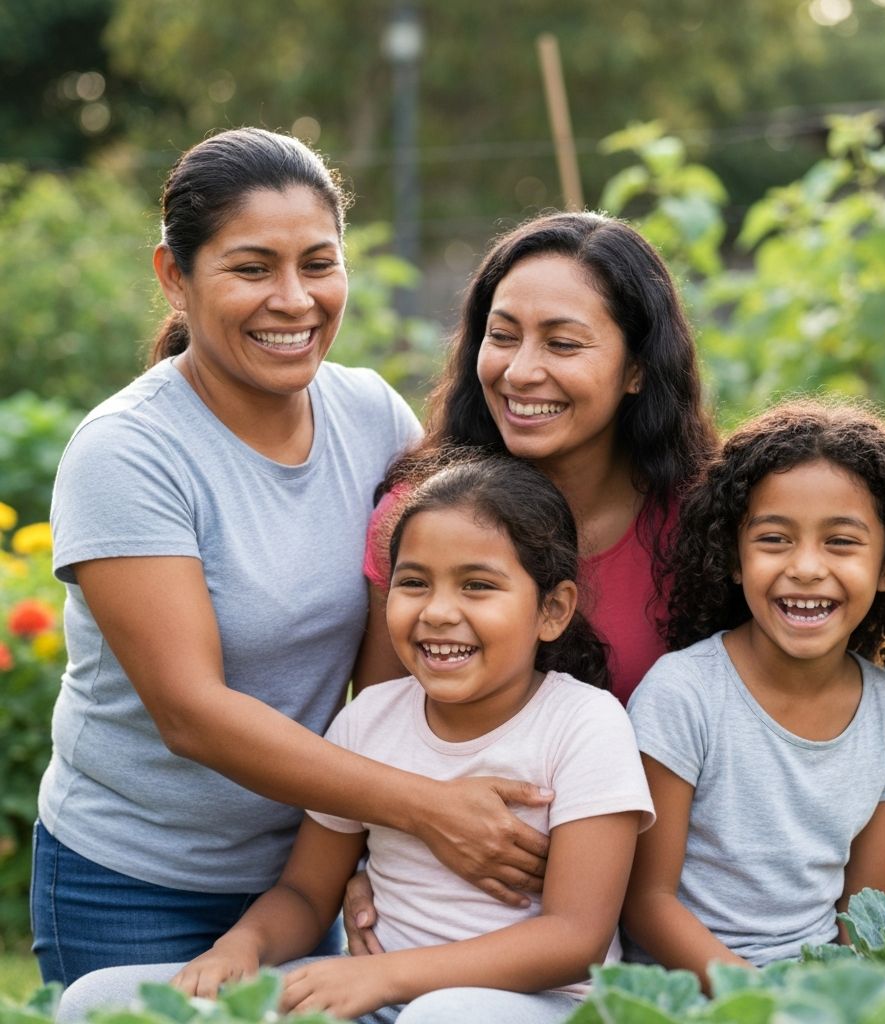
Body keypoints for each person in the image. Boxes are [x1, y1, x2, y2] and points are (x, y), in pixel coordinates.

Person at [32, 128, 557, 988]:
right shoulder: (128, 454)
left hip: (303, 874)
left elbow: (397, 665)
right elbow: (191, 713)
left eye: (319, 263)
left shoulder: (370, 418)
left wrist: (365, 851)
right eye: (251, 269)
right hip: (130, 879)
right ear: (175, 276)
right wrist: (425, 811)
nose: (294, 299)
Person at [346, 213, 885, 951]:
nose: (521, 370)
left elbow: (774, 704)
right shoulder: (420, 522)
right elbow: (380, 728)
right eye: (502, 336)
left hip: (636, 926)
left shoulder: (702, 523)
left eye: (563, 343)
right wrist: (397, 845)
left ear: (636, 368)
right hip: (465, 904)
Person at [56, 457, 655, 1024]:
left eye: (477, 586)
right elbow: (305, 893)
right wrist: (241, 947)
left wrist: (390, 978)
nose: (438, 612)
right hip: (377, 991)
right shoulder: (369, 719)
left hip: (533, 1003)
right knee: (98, 1001)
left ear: (552, 610)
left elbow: (574, 940)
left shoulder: (584, 724)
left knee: (439, 1016)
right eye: (414, 582)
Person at [622, 400, 885, 991]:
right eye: (775, 539)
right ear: (734, 556)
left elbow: (861, 912)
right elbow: (647, 902)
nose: (806, 568)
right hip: (687, 991)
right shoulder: (684, 694)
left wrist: (837, 999)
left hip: (814, 990)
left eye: (841, 542)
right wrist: (761, 1003)